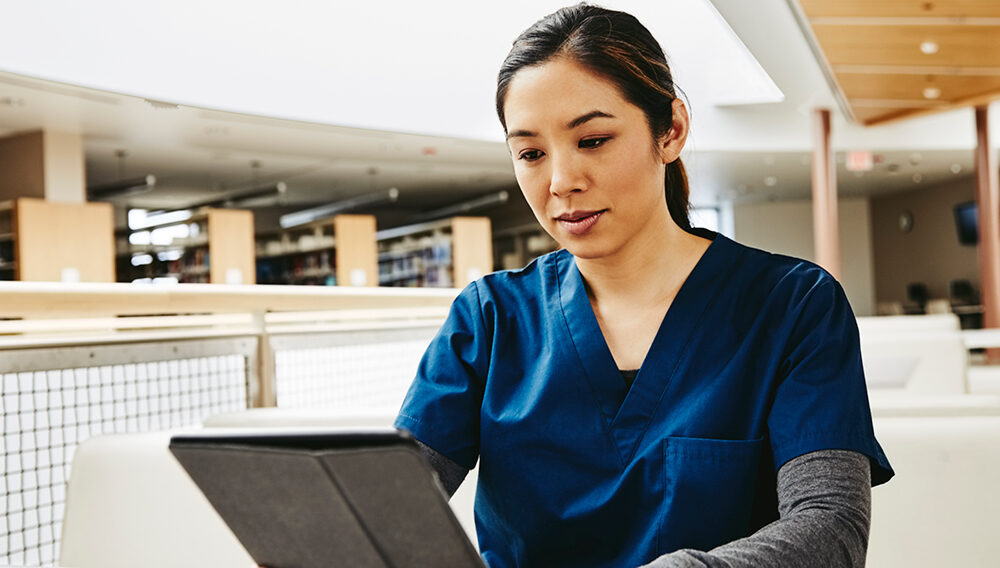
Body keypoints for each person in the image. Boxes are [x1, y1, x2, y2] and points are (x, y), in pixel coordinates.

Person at [394, 4, 894, 567]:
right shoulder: (489, 319)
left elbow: (831, 529)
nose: (561, 182)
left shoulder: (791, 307)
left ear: (671, 130)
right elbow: (387, 507)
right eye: (531, 153)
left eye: (594, 140)